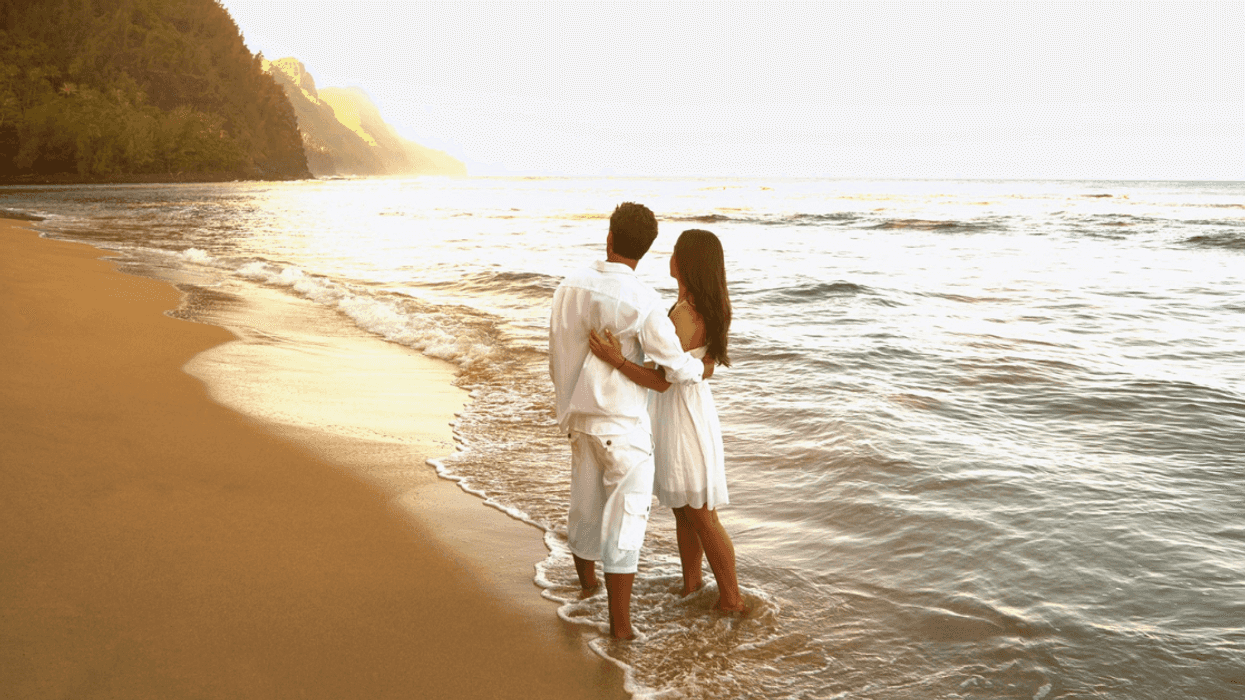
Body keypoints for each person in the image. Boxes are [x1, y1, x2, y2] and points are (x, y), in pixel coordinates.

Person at [548, 203, 713, 640]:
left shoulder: (568, 287)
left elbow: (557, 354)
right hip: (621, 428)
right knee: (626, 524)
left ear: (609, 236)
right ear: (647, 250)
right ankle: (620, 628)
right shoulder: (643, 301)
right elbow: (673, 372)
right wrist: (703, 367)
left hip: (579, 422)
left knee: (583, 512)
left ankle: (587, 592)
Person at [587, 229, 744, 613]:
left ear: (689, 263)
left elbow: (662, 379)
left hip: (683, 414)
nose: (669, 257)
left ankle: (732, 600)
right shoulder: (688, 307)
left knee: (701, 511)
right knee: (684, 508)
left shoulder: (688, 314)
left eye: (676, 252)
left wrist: (617, 361)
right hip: (679, 409)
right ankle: (693, 586)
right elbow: (693, 368)